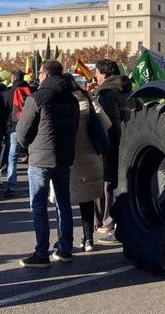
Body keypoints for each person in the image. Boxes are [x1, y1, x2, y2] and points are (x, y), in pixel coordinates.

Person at [15, 60, 79, 267]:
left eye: (40, 72)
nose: (39, 76)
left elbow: (22, 131)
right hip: (64, 156)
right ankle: (65, 249)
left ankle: (41, 253)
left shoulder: (38, 97)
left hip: (41, 158)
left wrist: (26, 147)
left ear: (47, 74)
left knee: (39, 205)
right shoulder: (72, 98)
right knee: (63, 203)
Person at [92, 59, 137, 243]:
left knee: (107, 183)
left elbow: (109, 124)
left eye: (96, 71)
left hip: (113, 144)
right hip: (132, 142)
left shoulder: (106, 94)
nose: (95, 75)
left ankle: (107, 221)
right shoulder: (129, 90)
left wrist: (105, 145)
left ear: (103, 73)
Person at [69, 83, 106, 252]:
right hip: (90, 157)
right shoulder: (89, 101)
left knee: (63, 202)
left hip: (69, 158)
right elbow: (107, 123)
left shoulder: (63, 104)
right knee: (87, 200)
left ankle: (64, 240)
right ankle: (89, 238)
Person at [1, 70, 31, 198]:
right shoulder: (32, 91)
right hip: (30, 129)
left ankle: (11, 186)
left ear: (13, 78)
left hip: (14, 128)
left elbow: (4, 112)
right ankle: (34, 185)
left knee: (12, 157)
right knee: (32, 158)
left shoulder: (7, 93)